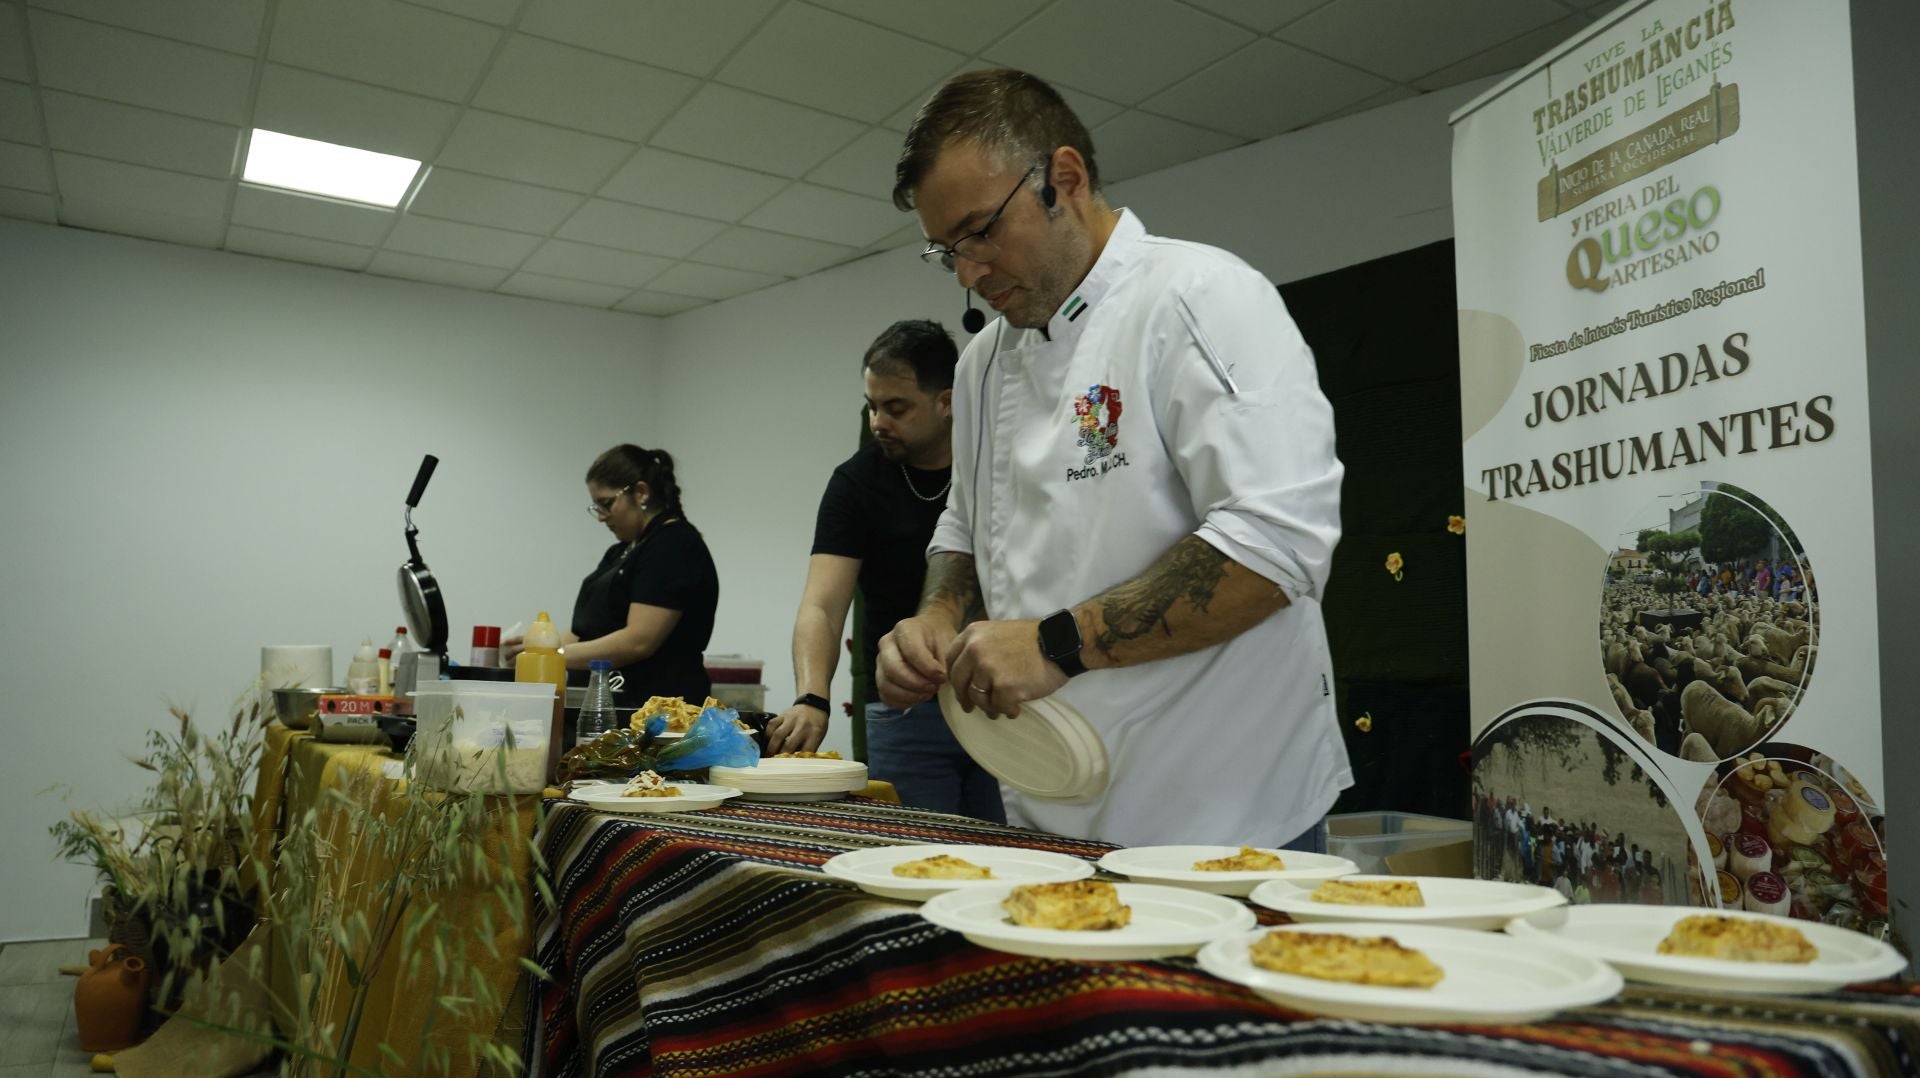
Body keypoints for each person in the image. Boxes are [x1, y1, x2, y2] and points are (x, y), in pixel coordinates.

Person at [873, 69, 1350, 849]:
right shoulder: (983, 363)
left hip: (1225, 813)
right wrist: (935, 616)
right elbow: (963, 525)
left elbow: (1277, 543)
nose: (968, 271)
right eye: (946, 250)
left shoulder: (1199, 297)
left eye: (982, 231)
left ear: (1065, 178)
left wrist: (1056, 643)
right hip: (1046, 801)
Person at [765, 321, 1006, 822]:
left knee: (1011, 853)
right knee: (913, 849)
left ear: (947, 402)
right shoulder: (856, 483)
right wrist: (812, 696)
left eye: (896, 408)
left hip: (1000, 698)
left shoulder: (998, 467)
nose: (878, 422)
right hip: (904, 708)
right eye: (872, 406)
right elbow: (823, 605)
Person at [505, 445, 719, 703]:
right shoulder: (620, 552)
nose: (601, 517)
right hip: (609, 701)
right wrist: (537, 649)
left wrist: (551, 657)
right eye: (597, 507)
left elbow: (639, 641)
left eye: (606, 504)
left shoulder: (673, 545)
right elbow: (581, 631)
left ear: (640, 493)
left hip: (657, 709)